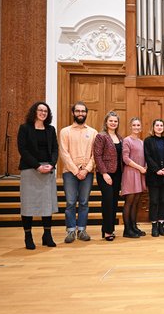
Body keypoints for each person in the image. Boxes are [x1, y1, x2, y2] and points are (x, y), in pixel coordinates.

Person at [17, 102, 58, 249]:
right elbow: (23, 149)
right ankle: (28, 236)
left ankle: (47, 235)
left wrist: (51, 164)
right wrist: (37, 166)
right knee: (28, 204)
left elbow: (55, 149)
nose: (42, 113)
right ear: (34, 111)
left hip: (47, 169)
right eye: (40, 110)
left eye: (45, 111)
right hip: (30, 170)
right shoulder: (25, 128)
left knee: (47, 204)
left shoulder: (50, 129)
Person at [59, 101, 98, 243]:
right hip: (70, 172)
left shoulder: (93, 132)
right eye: (78, 111)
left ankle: (82, 230)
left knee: (84, 202)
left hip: (87, 172)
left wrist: (86, 170)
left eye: (83, 111)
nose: (80, 113)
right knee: (70, 202)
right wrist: (76, 171)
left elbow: (95, 155)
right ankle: (70, 231)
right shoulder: (65, 131)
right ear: (73, 113)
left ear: (86, 113)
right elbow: (63, 153)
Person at [93, 111, 123, 241]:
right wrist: (104, 173)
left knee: (114, 202)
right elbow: (97, 156)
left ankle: (108, 228)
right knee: (108, 201)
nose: (113, 123)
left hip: (117, 174)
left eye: (115, 121)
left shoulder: (120, 137)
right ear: (106, 122)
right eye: (111, 121)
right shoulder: (101, 136)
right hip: (105, 174)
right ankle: (107, 231)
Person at [144, 119, 164, 237]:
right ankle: (154, 225)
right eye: (157, 125)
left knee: (163, 201)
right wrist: (156, 169)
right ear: (153, 127)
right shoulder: (148, 141)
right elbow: (148, 157)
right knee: (154, 201)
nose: (159, 127)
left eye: (161, 125)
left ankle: (161, 224)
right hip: (153, 176)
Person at [121, 117, 147, 238]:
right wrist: (139, 168)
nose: (136, 127)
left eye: (138, 125)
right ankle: (127, 229)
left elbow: (144, 157)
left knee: (136, 202)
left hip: (140, 173)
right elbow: (126, 159)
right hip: (131, 173)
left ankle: (134, 227)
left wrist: (145, 167)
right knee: (129, 202)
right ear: (130, 126)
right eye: (134, 125)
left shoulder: (142, 142)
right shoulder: (127, 140)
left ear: (141, 127)